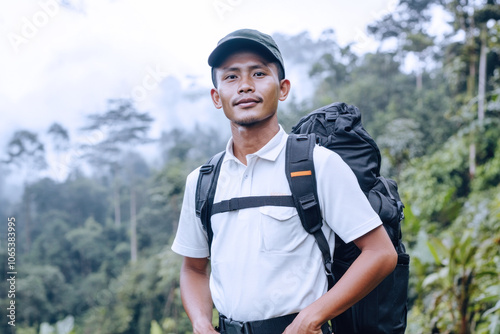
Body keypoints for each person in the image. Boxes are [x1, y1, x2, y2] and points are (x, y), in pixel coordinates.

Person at [171, 29, 398, 334]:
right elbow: (194, 268)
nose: (245, 86)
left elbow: (380, 253)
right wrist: (200, 322)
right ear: (216, 96)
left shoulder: (318, 165)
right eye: (231, 77)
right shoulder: (202, 182)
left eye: (259, 73)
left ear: (283, 88)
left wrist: (312, 317)